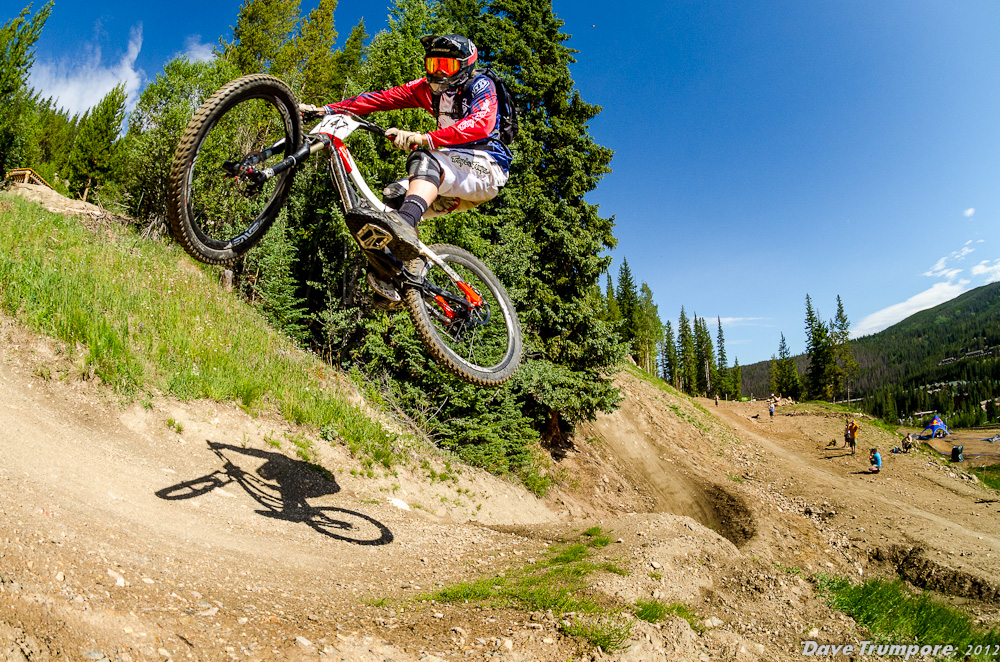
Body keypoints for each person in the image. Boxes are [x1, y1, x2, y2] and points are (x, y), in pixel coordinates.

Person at [301, 34, 512, 273]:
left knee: (425, 159)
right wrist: (326, 110)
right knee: (394, 197)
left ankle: (406, 227)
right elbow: (379, 99)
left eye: (447, 66)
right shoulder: (426, 89)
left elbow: (481, 123)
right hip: (454, 176)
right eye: (434, 64)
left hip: (487, 167)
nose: (439, 73)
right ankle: (399, 274)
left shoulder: (480, 84)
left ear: (465, 66)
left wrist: (425, 138)